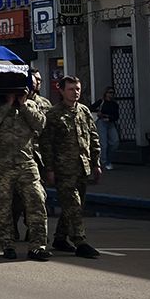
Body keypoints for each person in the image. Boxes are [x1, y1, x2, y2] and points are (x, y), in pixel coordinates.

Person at [0, 87, 51, 261]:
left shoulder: (30, 105)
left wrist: (23, 105)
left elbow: (40, 124)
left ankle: (38, 246)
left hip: (26, 163)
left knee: (37, 201)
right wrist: (7, 103)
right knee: (2, 207)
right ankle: (7, 245)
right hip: (1, 165)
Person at [43, 76, 103, 259]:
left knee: (75, 206)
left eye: (77, 89)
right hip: (63, 170)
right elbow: (47, 144)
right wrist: (49, 169)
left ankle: (60, 237)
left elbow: (93, 138)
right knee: (73, 205)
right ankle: (80, 241)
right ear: (61, 91)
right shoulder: (53, 115)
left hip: (82, 167)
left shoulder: (84, 111)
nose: (75, 92)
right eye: (71, 89)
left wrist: (96, 163)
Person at [89, 86, 121, 171]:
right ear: (105, 93)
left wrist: (109, 117)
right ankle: (104, 162)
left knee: (115, 142)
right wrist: (98, 113)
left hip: (110, 123)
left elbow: (116, 116)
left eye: (112, 93)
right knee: (103, 143)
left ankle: (108, 159)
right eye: (109, 92)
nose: (111, 94)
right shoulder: (101, 102)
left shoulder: (114, 104)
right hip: (101, 122)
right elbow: (91, 108)